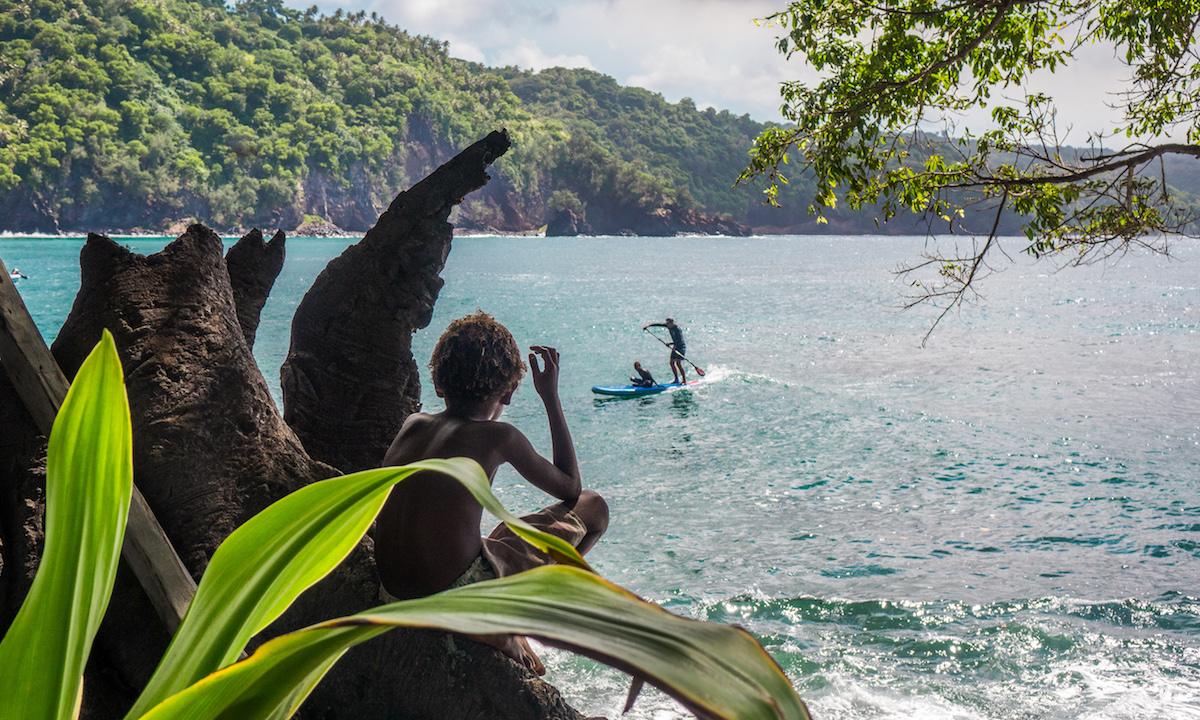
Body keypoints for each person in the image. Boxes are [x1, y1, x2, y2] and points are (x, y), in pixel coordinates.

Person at [375, 311, 609, 675]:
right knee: (594, 508)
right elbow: (571, 488)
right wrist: (550, 397)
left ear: (438, 384)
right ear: (510, 393)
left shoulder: (413, 425)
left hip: (392, 596)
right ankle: (510, 616)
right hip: (455, 597)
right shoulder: (499, 437)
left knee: (501, 534)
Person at [643, 317, 687, 384]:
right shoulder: (668, 326)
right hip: (675, 346)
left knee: (678, 363)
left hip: (681, 347)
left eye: (669, 323)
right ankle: (676, 379)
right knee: (671, 363)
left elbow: (680, 341)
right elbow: (659, 324)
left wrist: (670, 343)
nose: (667, 325)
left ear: (672, 323)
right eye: (667, 323)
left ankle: (684, 381)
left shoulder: (677, 329)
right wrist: (648, 326)